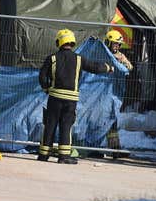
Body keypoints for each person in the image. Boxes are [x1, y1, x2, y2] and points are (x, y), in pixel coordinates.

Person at [38, 29, 114, 164]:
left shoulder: (52, 58)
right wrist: (108, 68)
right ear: (72, 43)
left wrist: (46, 88)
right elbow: (94, 67)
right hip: (71, 101)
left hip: (54, 98)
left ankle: (43, 155)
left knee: (50, 125)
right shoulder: (79, 59)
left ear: (58, 42)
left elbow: (42, 77)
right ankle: (64, 157)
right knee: (66, 126)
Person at [102, 29, 134, 159]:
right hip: (101, 94)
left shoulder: (120, 56)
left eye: (118, 44)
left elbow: (129, 67)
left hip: (113, 93)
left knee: (112, 120)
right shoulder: (102, 53)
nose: (116, 46)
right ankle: (93, 147)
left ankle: (115, 148)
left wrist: (120, 62)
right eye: (114, 43)